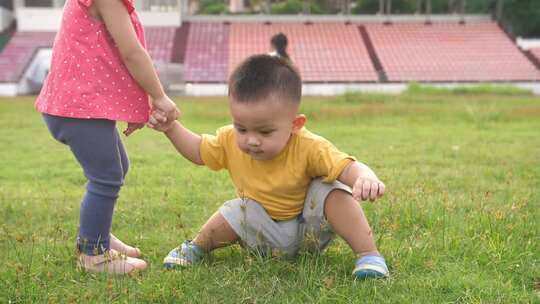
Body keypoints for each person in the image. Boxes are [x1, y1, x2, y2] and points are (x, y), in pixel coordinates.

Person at [149, 55, 389, 279]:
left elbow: (347, 167)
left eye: (265, 131)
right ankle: (196, 247)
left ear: (295, 124)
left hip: (309, 233)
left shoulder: (309, 146)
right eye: (241, 128)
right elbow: (199, 150)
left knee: (331, 189)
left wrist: (365, 176)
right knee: (238, 208)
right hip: (261, 237)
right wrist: (171, 127)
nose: (251, 140)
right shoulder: (229, 140)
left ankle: (369, 255)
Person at [35, 0, 179, 274]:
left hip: (77, 106)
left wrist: (139, 103)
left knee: (118, 167)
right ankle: (93, 255)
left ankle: (97, 231)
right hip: (78, 108)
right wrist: (159, 96)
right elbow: (131, 53)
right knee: (106, 176)